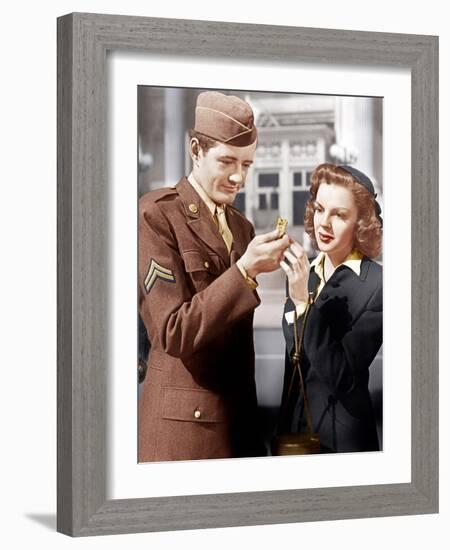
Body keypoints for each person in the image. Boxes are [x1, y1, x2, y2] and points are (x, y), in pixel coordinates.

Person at [139, 91, 290, 462]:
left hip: (238, 427)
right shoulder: (156, 216)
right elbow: (173, 332)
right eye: (227, 161)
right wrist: (245, 270)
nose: (238, 176)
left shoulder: (241, 226)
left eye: (248, 165)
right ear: (195, 149)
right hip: (185, 435)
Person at [278, 163, 383, 453]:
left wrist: (302, 304)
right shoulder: (307, 274)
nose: (324, 222)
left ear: (361, 223)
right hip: (296, 435)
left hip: (342, 443)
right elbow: (294, 363)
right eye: (320, 209)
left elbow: (343, 377)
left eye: (339, 214)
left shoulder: (378, 284)